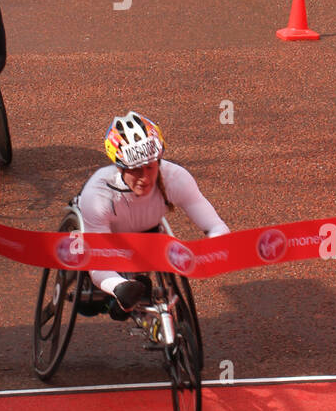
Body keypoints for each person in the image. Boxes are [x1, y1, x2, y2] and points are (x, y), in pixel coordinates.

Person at [76, 110, 229, 319]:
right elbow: (98, 263)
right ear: (119, 168)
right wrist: (121, 288)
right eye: (135, 170)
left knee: (129, 301)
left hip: (148, 233)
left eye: (150, 167)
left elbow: (215, 226)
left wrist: (213, 251)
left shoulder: (175, 178)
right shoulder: (98, 194)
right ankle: (120, 298)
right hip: (108, 241)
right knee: (87, 307)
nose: (145, 178)